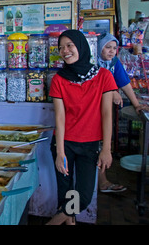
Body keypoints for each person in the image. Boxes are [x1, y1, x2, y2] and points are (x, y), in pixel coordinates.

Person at [47, 29, 117, 225]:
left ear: (81, 46)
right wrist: (60, 152)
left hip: (89, 145)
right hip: (64, 143)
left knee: (83, 196)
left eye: (70, 45)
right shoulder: (59, 80)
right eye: (61, 47)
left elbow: (106, 115)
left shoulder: (104, 76)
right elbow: (60, 118)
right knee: (66, 193)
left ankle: (53, 222)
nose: (65, 50)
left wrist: (106, 149)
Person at [96, 32, 145, 193]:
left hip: (104, 111)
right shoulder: (92, 62)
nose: (111, 51)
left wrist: (137, 105)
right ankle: (102, 182)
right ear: (98, 48)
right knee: (98, 144)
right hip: (92, 111)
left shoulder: (114, 62)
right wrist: (111, 91)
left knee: (103, 143)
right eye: (107, 47)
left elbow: (125, 83)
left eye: (114, 48)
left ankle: (102, 181)